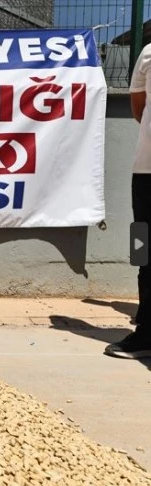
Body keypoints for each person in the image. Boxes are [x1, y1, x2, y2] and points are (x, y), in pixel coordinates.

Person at [105, 44, 151, 359]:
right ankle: (146, 331)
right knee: (142, 248)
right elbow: (139, 109)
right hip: (146, 172)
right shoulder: (147, 53)